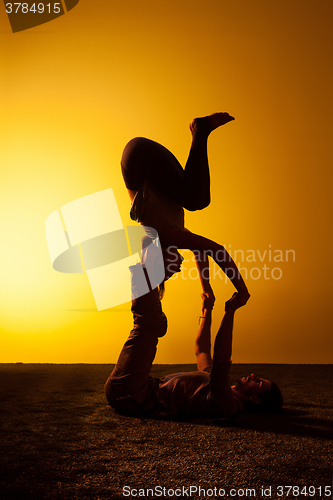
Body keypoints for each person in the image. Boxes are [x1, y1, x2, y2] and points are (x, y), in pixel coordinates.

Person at [104, 252, 283, 417]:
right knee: (154, 325)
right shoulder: (211, 380)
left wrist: (230, 312)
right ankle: (147, 267)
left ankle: (147, 267)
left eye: (259, 383)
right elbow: (202, 350)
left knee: (151, 325)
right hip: (138, 386)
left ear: (255, 400)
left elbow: (222, 361)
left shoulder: (227, 404)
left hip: (131, 395)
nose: (253, 375)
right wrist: (208, 309)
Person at [121, 112, 250, 308]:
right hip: (140, 158)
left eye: (170, 271)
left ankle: (201, 129)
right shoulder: (167, 234)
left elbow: (217, 250)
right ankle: (199, 130)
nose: (178, 270)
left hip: (140, 159)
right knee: (194, 197)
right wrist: (206, 288)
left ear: (160, 261)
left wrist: (242, 289)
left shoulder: (164, 238)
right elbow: (199, 250)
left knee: (196, 200)